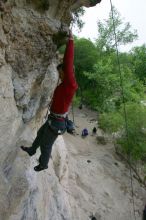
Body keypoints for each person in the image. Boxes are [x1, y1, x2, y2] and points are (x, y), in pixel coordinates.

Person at [21, 30, 78, 172]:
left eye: (60, 72)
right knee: (40, 134)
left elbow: (68, 63)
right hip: (54, 119)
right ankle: (32, 150)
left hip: (57, 122)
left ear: (67, 72)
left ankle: (43, 164)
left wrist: (70, 41)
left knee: (46, 145)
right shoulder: (64, 84)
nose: (59, 74)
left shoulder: (70, 84)